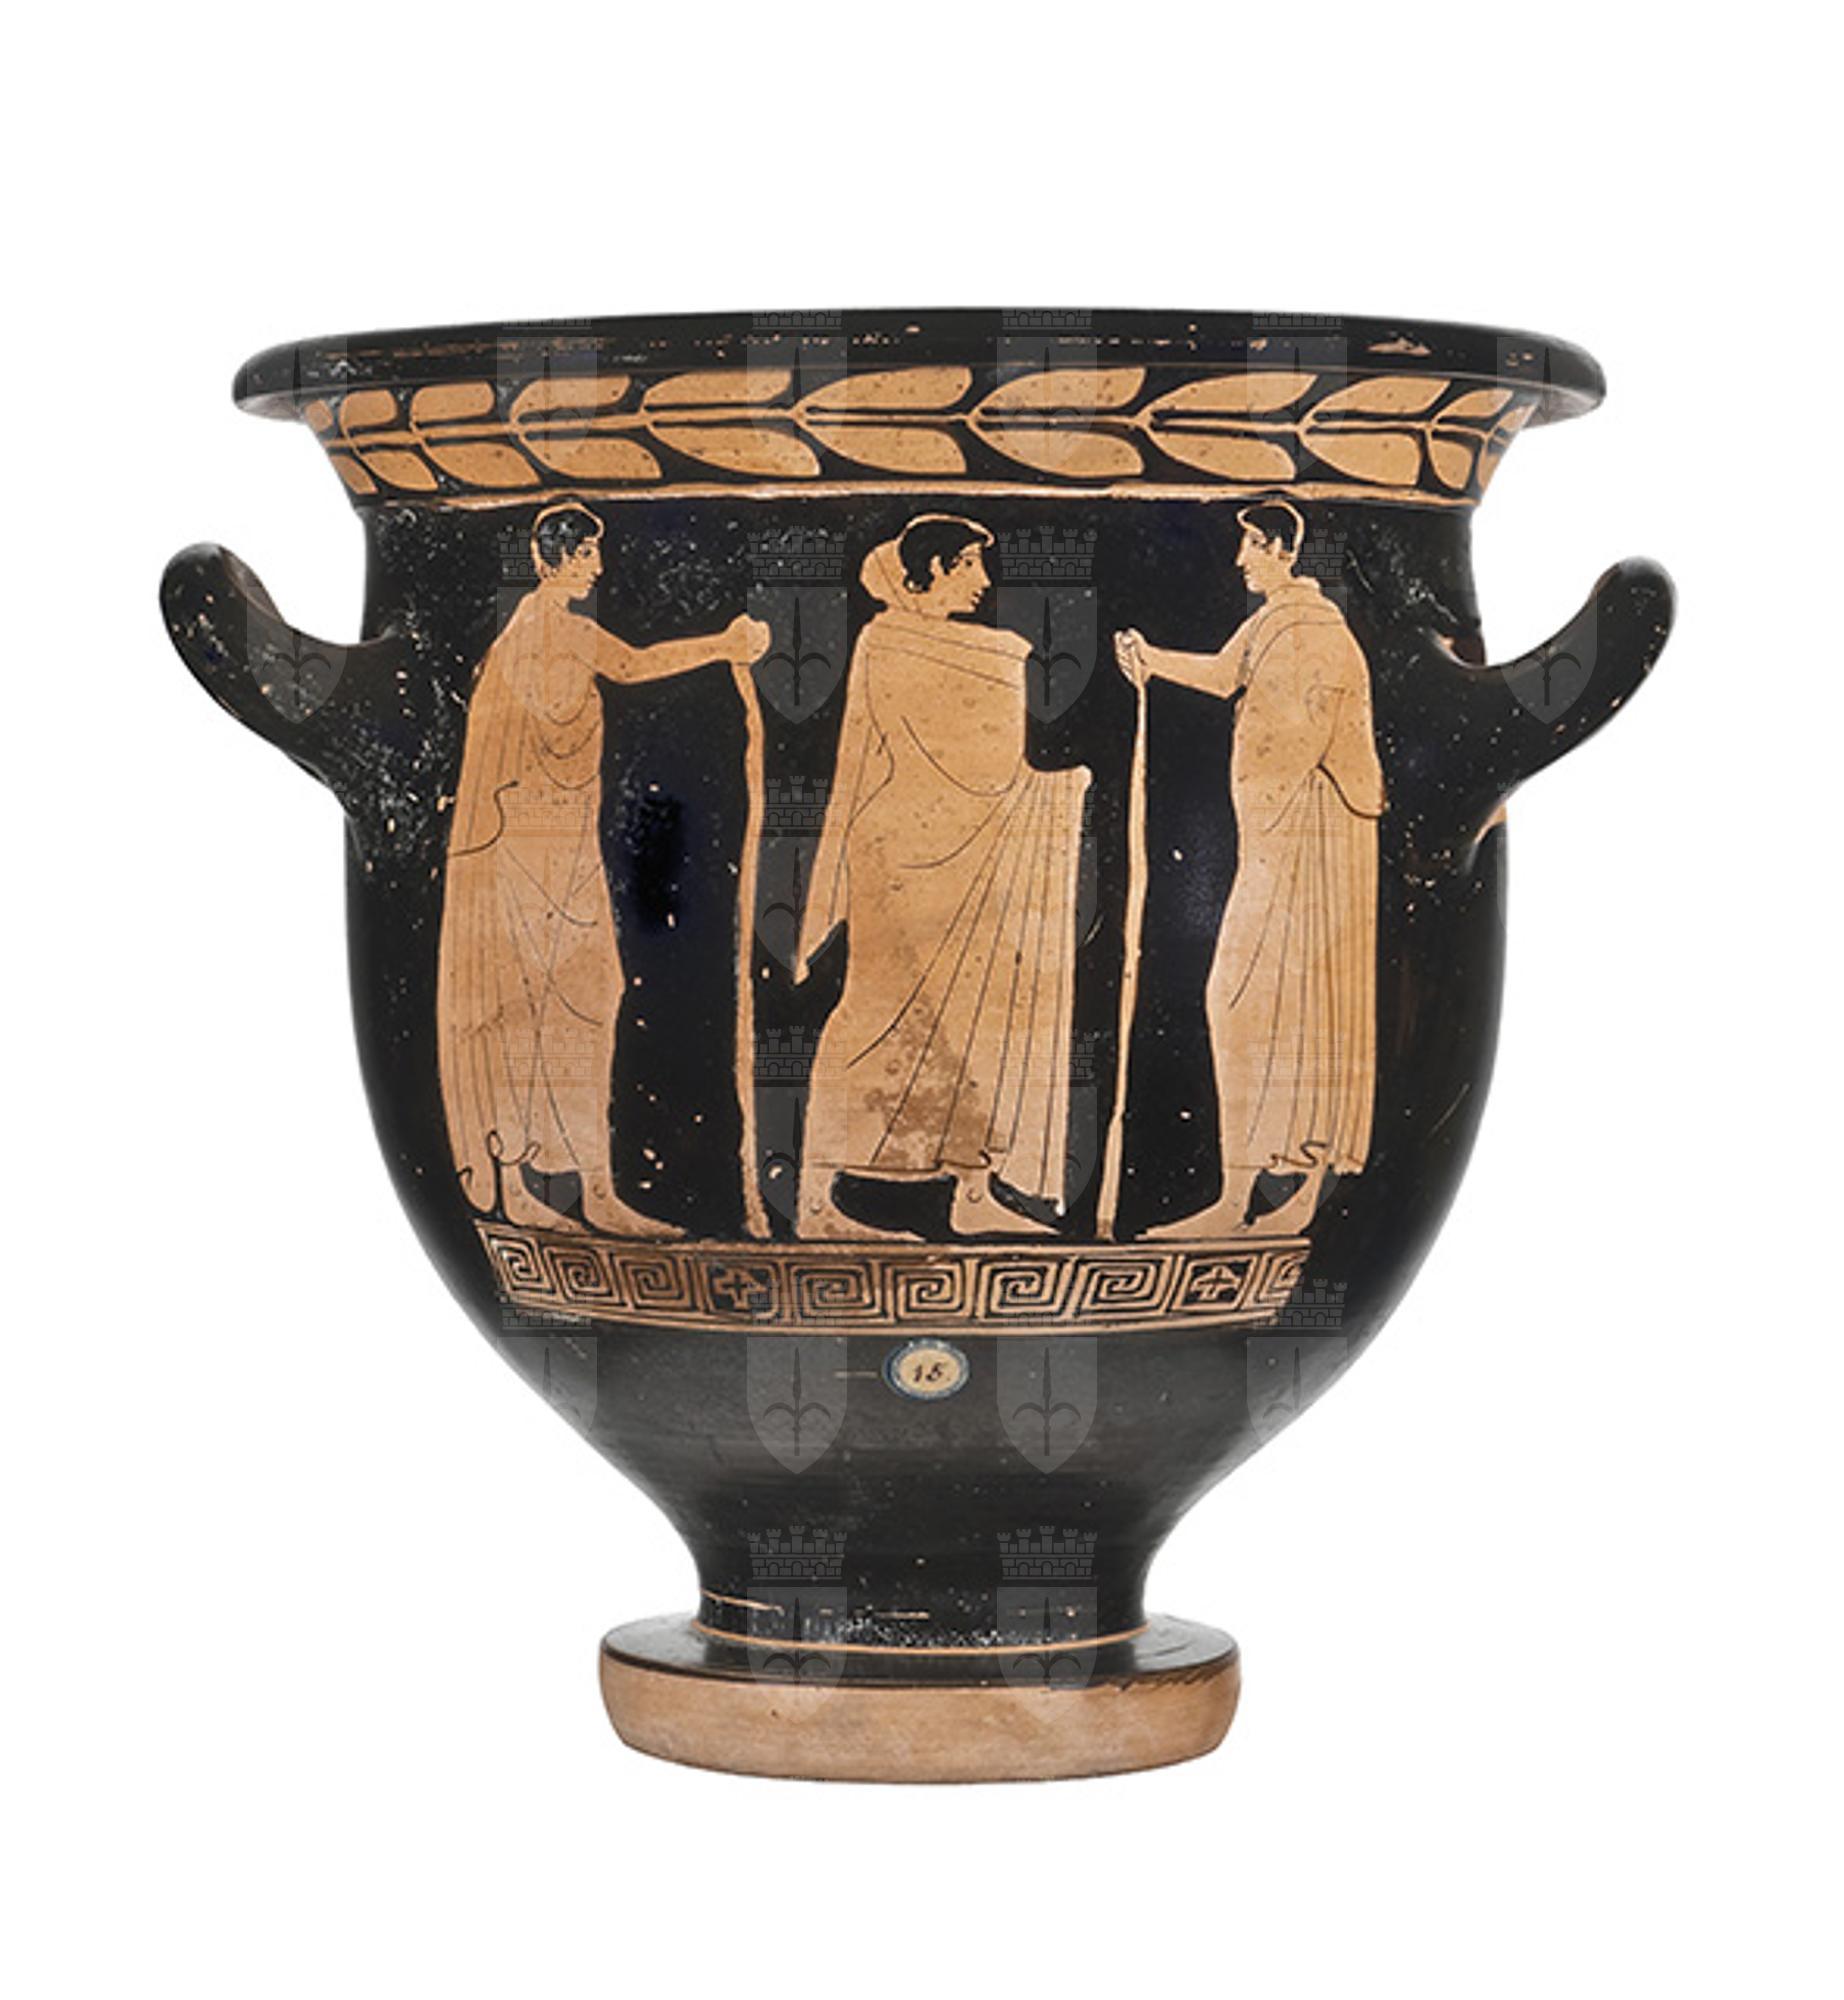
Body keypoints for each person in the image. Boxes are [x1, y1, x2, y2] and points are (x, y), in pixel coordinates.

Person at [436, 502, 770, 1237]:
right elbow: (631, 667)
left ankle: (585, 1185)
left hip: (561, 846)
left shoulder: (545, 634)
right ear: (552, 558)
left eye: (596, 551)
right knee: (532, 1006)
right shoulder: (540, 636)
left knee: (584, 998)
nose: (598, 564)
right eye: (587, 552)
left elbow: (628, 668)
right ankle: (524, 1182)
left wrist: (722, 648)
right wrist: (725, 644)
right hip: (525, 852)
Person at [796, 515, 1091, 1239]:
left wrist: (1056, 788)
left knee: (979, 1015)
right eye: (969, 565)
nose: (984, 581)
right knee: (878, 1015)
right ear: (933, 568)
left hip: (976, 854)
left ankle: (971, 1184)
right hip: (901, 858)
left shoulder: (990, 651)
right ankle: (816, 1196)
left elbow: (998, 772)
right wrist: (1055, 791)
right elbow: (973, 767)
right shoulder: (891, 643)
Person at [1115, 499, 1384, 1237]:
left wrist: (1261, 818)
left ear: (1281, 551)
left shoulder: (1312, 632)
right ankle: (1238, 1198)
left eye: (1252, 547)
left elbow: (1292, 747)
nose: (1240, 561)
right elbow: (1223, 675)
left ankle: (1293, 1195)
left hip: (1310, 843)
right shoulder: (1274, 624)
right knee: (1247, 1003)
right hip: (1276, 837)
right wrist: (1152, 660)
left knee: (1282, 1005)